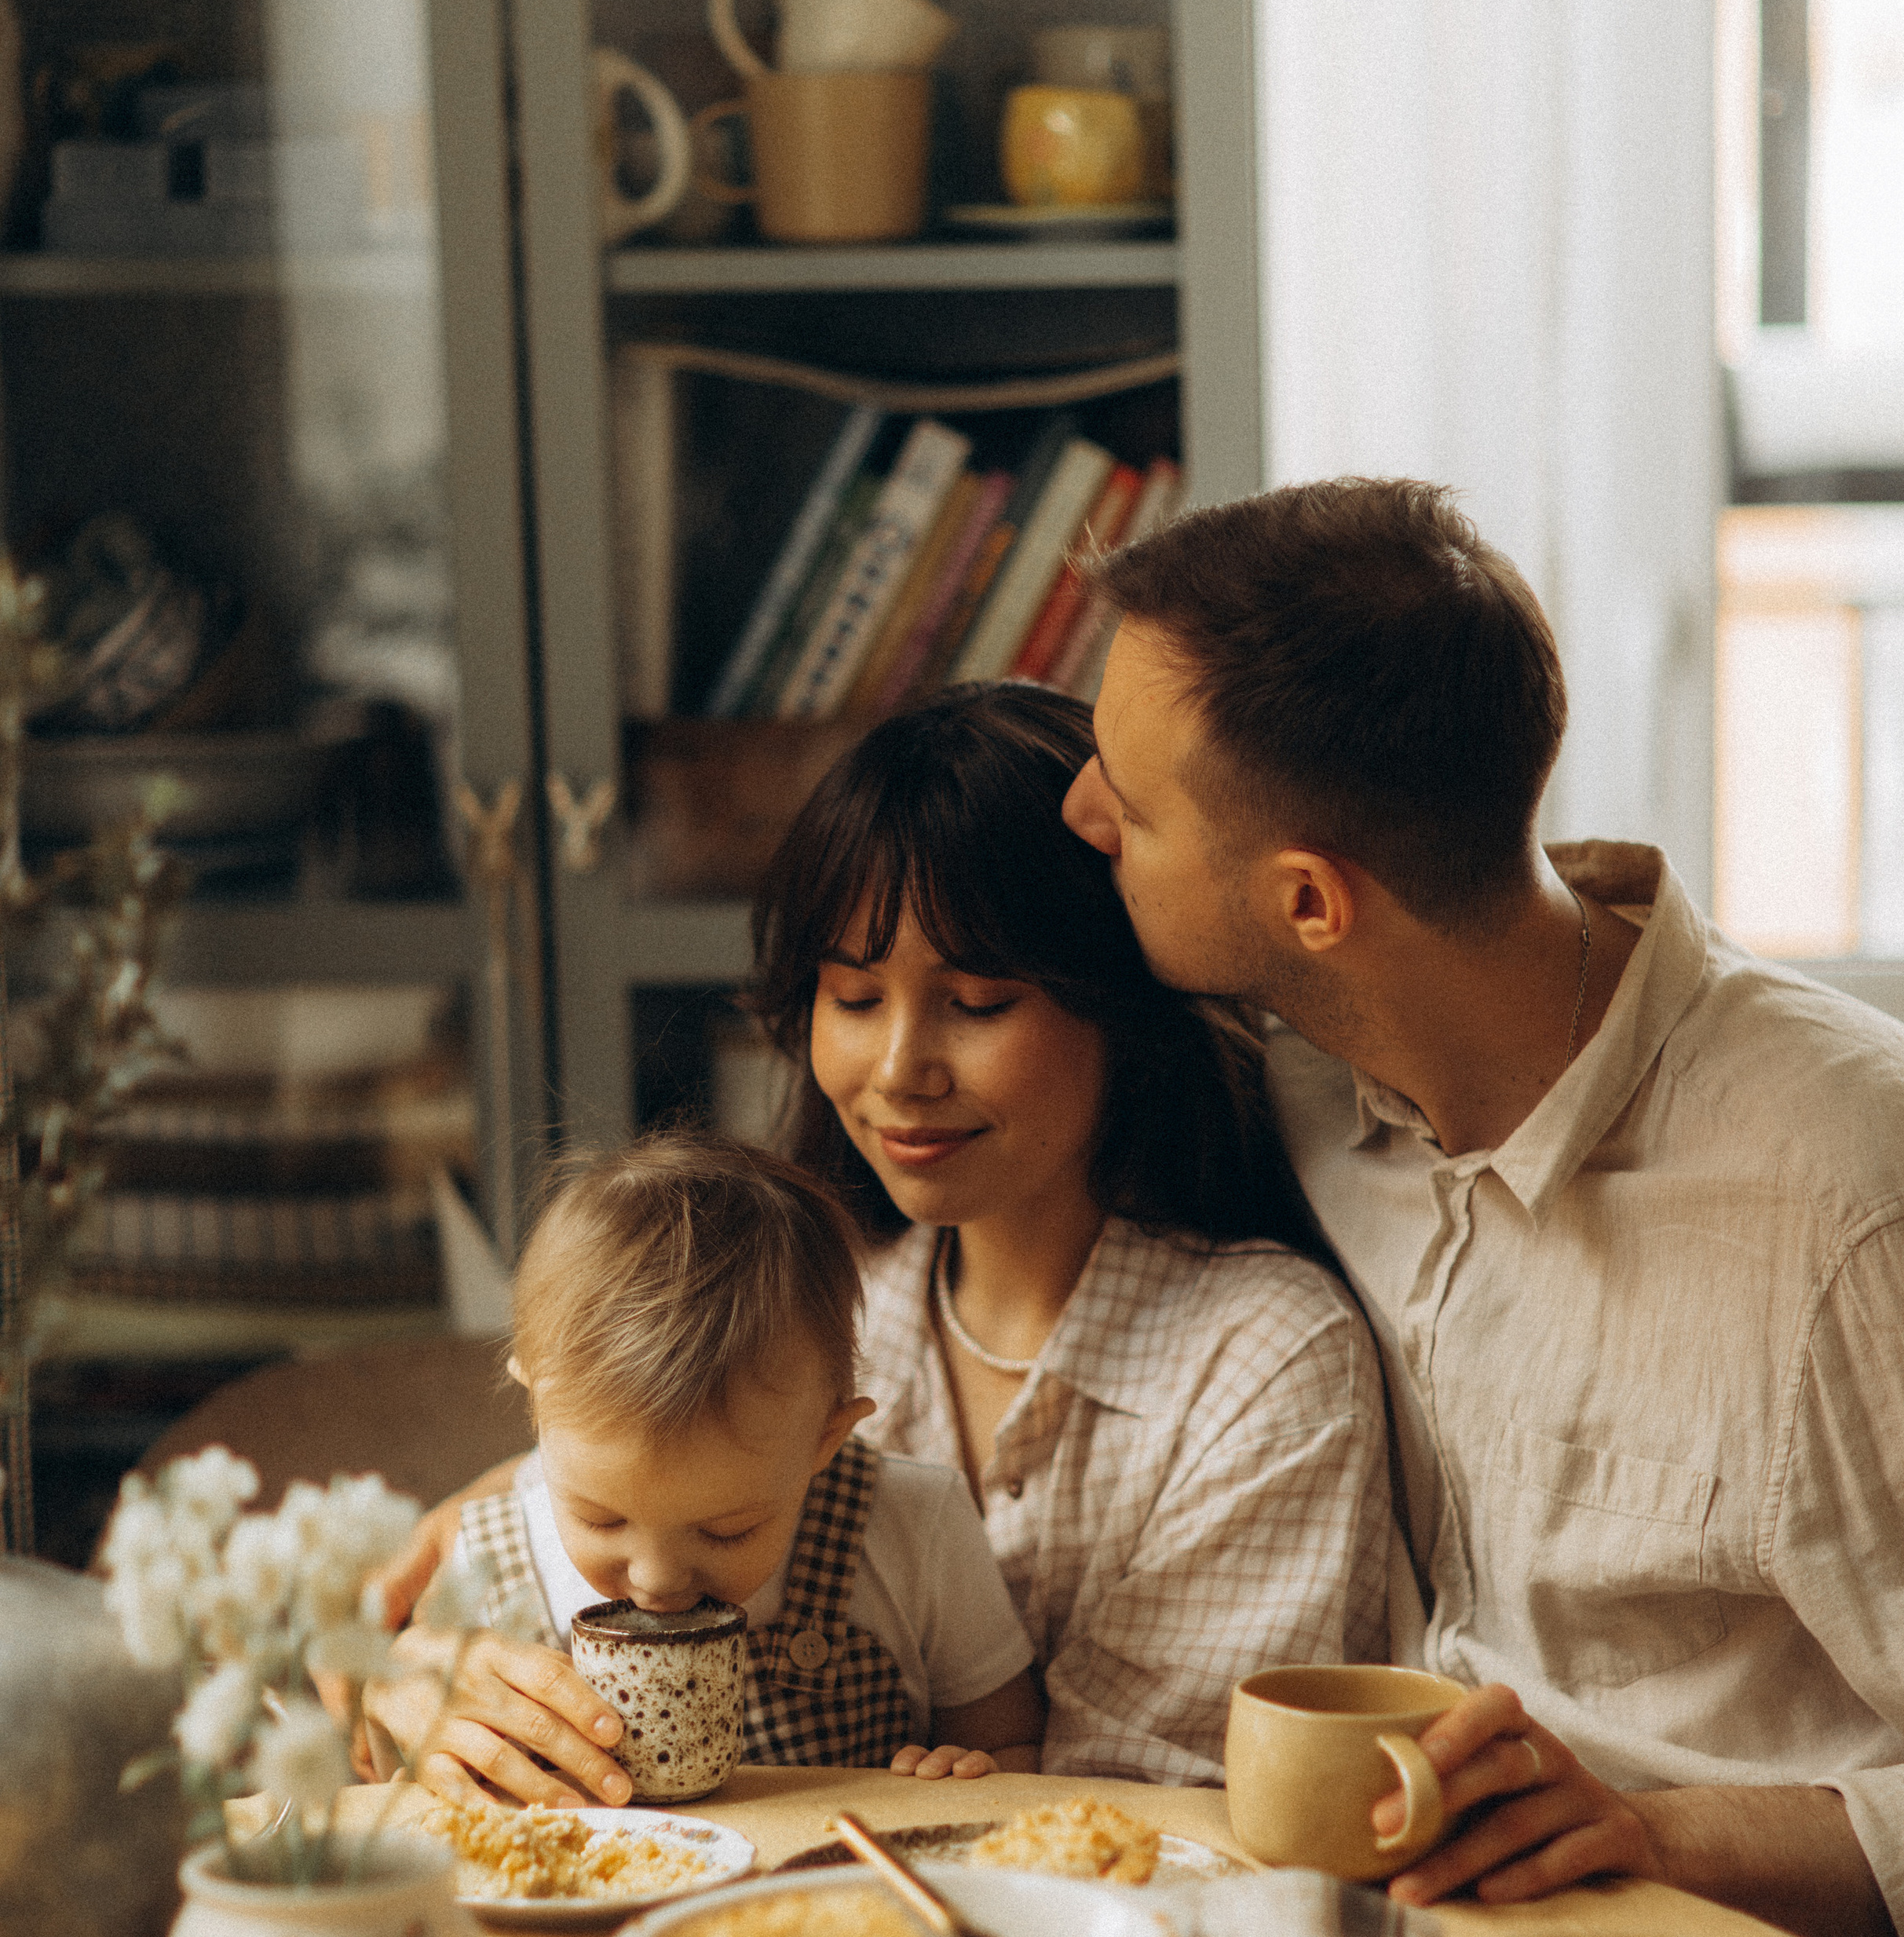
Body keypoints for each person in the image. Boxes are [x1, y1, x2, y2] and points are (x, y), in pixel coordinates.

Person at [1061, 473, 1904, 1937]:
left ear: (1308, 900)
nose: (1080, 816)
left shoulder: (1856, 1197)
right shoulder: (1295, 1074)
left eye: (1127, 802)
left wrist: (1654, 1836)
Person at [384, 683, 1393, 1786]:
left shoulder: (1261, 1364)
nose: (901, 1070)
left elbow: (1143, 1815)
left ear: (1120, 1006)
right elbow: (508, 1526)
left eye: (976, 1002)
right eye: (855, 998)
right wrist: (414, 1677)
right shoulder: (805, 1302)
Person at [365, 1133, 1042, 1805]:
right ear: (538, 1410)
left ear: (825, 1439)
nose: (658, 1583)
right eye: (600, 1518)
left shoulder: (916, 1530)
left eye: (727, 1531)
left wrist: (968, 1773)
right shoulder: (481, 1563)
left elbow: (1011, 1744)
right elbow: (408, 1756)